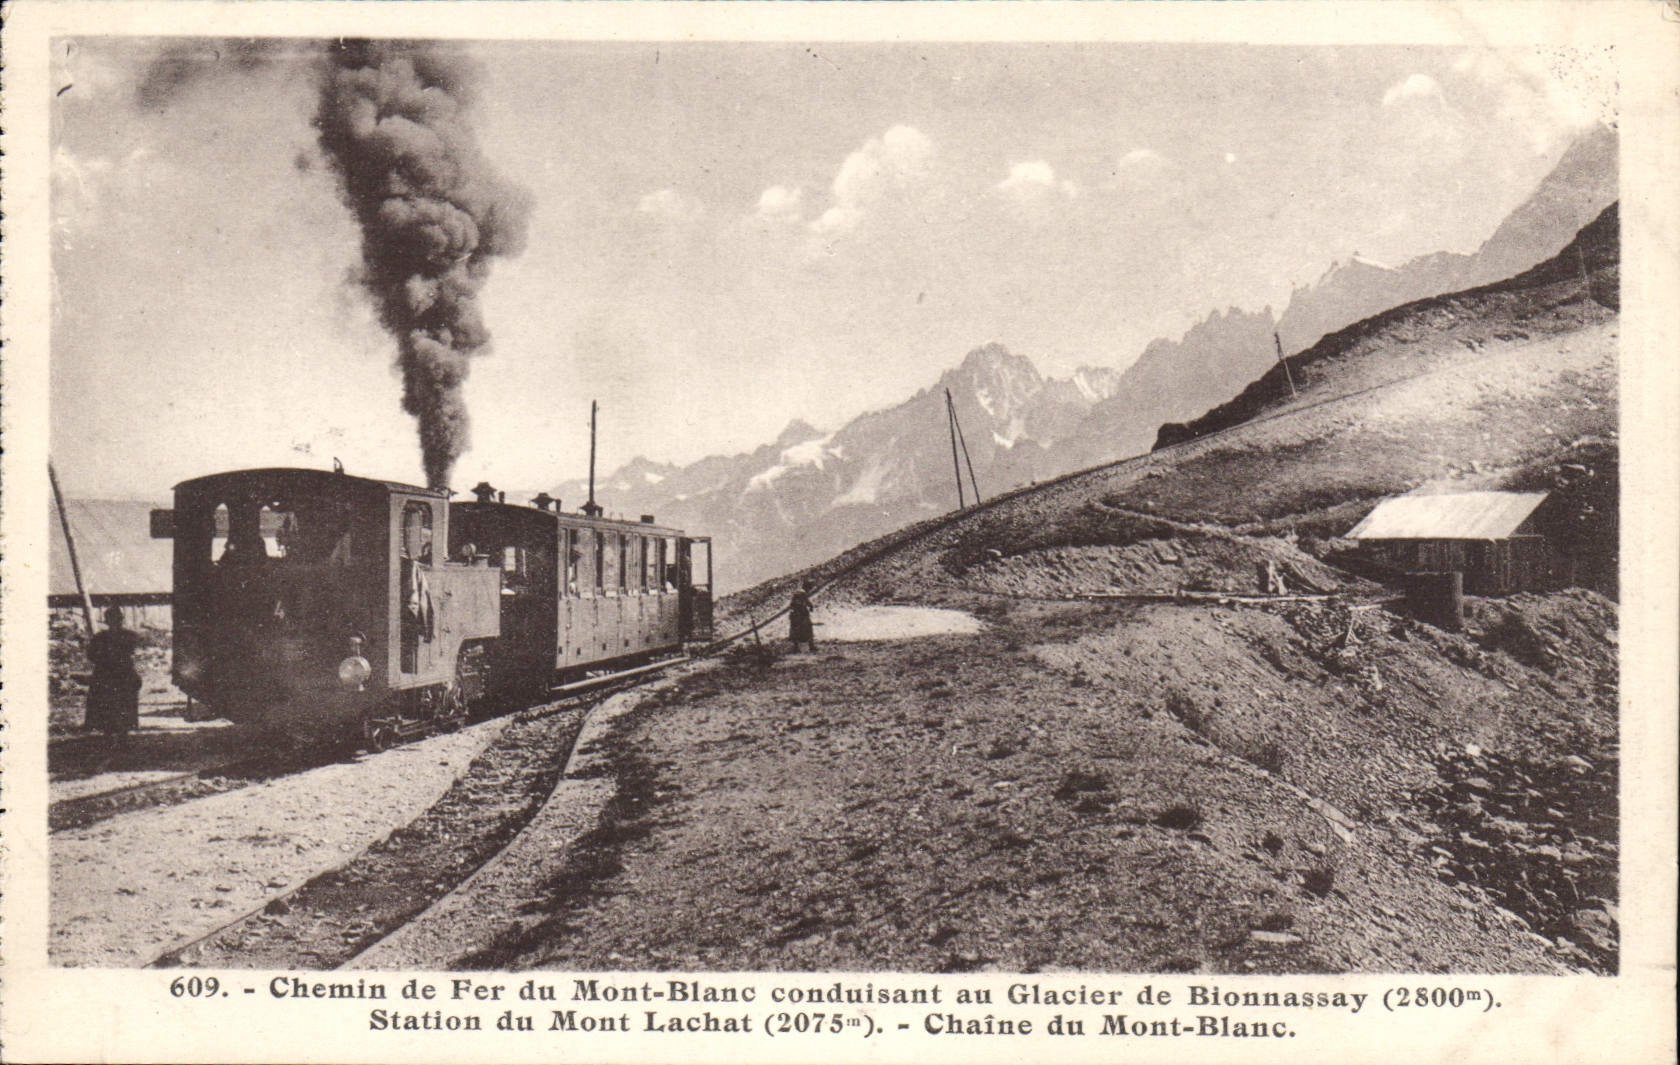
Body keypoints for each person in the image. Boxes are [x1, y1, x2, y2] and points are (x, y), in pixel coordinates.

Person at [85, 606, 142, 737]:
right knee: (120, 704)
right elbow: (133, 654)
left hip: (107, 674)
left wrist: (104, 660)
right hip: (121, 674)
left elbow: (91, 655)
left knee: (110, 704)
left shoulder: (100, 637)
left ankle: (112, 733)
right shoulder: (129, 636)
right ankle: (120, 734)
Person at [788, 579, 816, 653]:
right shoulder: (802, 593)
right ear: (807, 587)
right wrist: (810, 607)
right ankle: (811, 646)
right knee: (807, 629)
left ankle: (796, 647)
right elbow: (804, 602)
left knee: (796, 631)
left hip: (795, 614)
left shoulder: (798, 593)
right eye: (810, 588)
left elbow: (793, 604)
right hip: (800, 615)